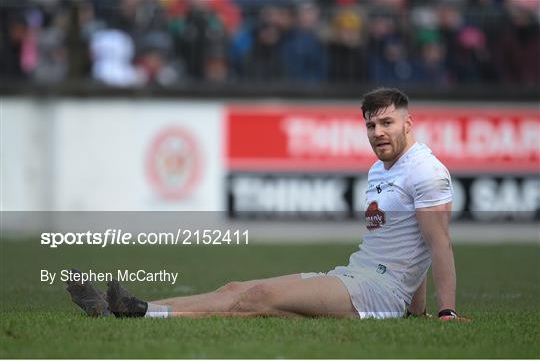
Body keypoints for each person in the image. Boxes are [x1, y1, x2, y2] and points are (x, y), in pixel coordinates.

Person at [67, 88, 469, 321]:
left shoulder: (426, 171)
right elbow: (404, 243)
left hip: (378, 293)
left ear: (408, 124)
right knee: (238, 288)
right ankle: (127, 307)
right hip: (355, 275)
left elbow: (439, 246)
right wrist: (416, 313)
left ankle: (143, 315)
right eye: (370, 125)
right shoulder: (379, 170)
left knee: (258, 298)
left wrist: (443, 313)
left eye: (386, 123)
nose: (377, 133)